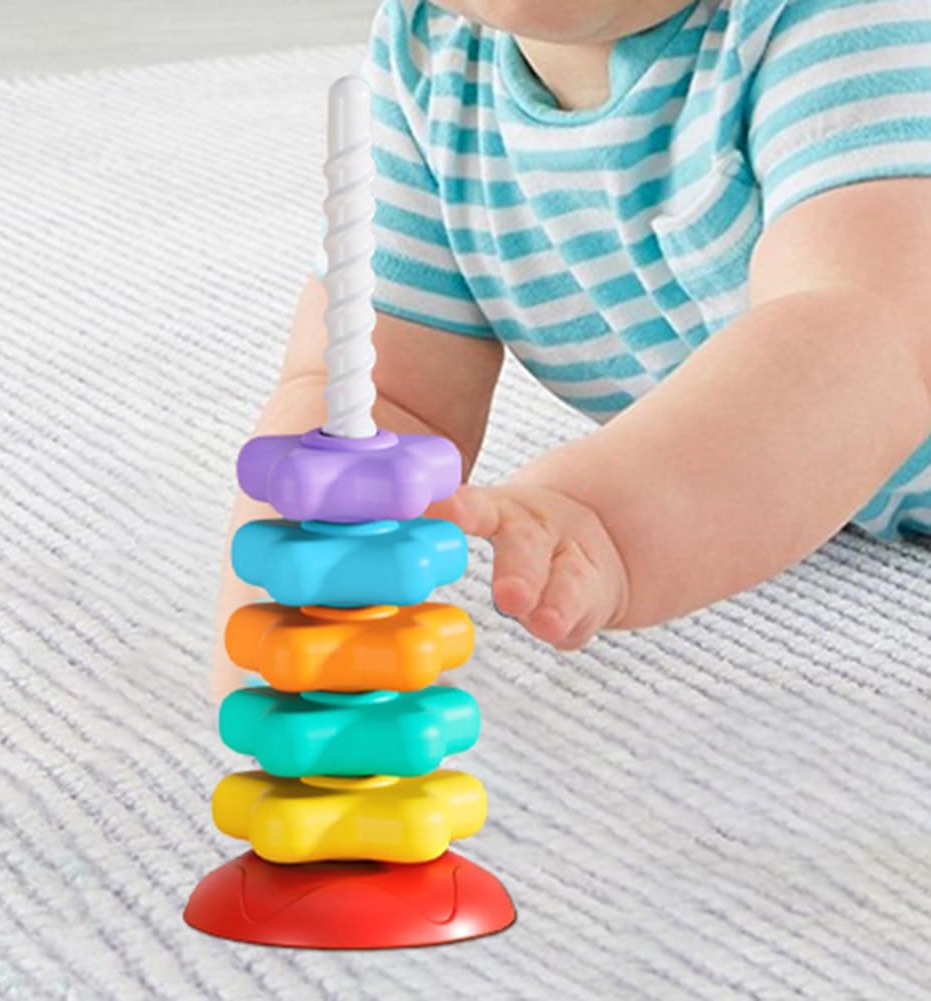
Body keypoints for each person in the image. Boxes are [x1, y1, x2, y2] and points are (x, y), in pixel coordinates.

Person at [213, 0, 931, 698]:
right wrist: (296, 596)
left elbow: (870, 338)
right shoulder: (427, 54)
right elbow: (374, 392)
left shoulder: (854, 20)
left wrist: (604, 516)